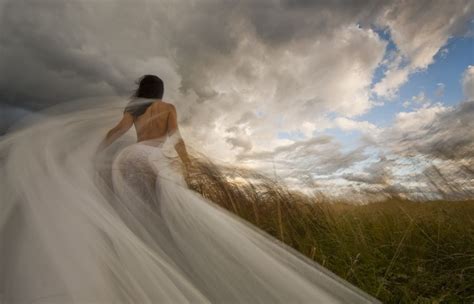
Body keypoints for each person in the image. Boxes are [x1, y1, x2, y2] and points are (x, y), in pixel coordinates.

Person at [0, 74, 378, 303]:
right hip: (150, 159)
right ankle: (163, 257)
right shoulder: (168, 107)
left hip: (126, 159)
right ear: (161, 90)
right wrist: (189, 166)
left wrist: (92, 154)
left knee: (130, 217)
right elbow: (177, 140)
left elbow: (115, 134)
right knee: (164, 214)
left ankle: (131, 262)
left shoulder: (133, 109)